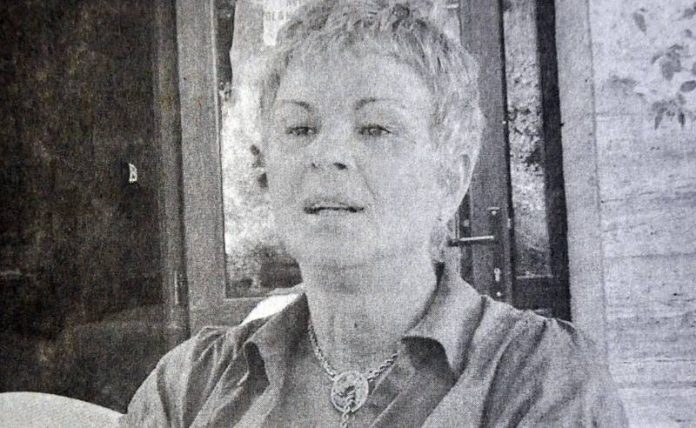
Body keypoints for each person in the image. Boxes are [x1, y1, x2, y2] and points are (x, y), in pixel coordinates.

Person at [120, 1, 627, 426]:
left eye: (375, 128)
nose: (326, 154)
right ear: (266, 167)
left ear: (451, 177)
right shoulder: (192, 385)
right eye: (300, 129)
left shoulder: (537, 376)